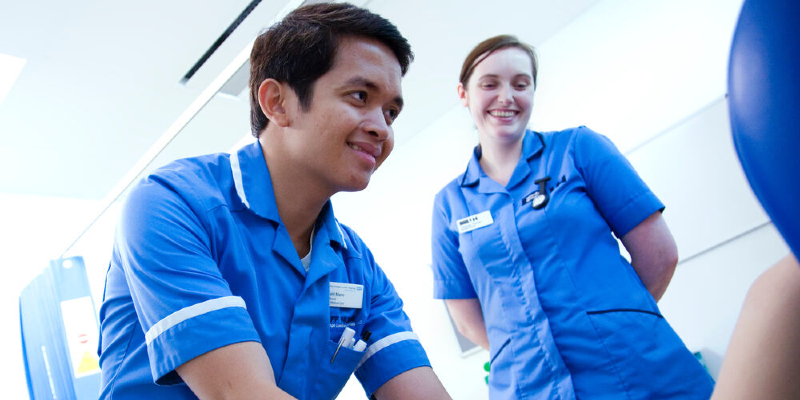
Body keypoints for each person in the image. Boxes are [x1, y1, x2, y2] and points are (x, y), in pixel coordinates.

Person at [97, 3, 452, 400]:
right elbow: (240, 394)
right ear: (277, 103)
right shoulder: (172, 204)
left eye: (391, 112)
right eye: (359, 96)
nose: (381, 128)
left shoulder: (358, 268)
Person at [430, 34, 715, 399]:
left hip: (638, 368)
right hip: (529, 386)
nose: (506, 97)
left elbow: (660, 255)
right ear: (464, 94)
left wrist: (614, 320)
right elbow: (467, 320)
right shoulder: (449, 204)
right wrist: (530, 346)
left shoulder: (579, 149)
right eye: (489, 84)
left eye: (521, 84)